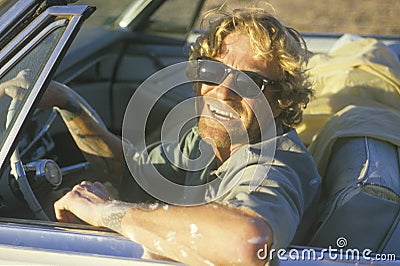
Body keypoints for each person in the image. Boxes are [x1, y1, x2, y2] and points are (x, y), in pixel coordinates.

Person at [9, 5, 321, 265]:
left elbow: (246, 241)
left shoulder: (275, 167)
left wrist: (108, 212)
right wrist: (67, 102)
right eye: (213, 72)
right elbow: (128, 169)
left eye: (250, 82)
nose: (223, 92)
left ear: (280, 101)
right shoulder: (212, 141)